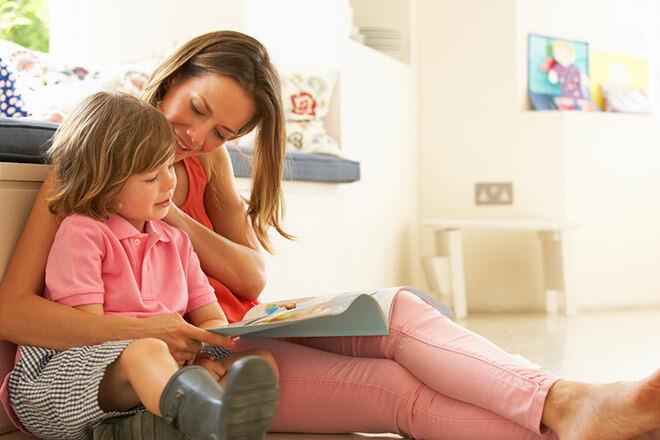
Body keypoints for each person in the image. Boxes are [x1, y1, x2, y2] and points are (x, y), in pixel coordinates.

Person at [1, 30, 660, 440]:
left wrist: (172, 214)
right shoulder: (95, 161)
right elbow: (16, 311)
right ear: (173, 79)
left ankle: (570, 400)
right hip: (190, 359)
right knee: (398, 394)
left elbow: (249, 279)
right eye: (196, 110)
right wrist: (160, 330)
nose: (196, 139)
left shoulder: (203, 165)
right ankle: (574, 422)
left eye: (223, 133)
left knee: (396, 310)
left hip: (233, 330)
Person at [0, 91, 279, 440]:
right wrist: (163, 346)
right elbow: (88, 331)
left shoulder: (177, 240)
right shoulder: (83, 232)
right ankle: (204, 415)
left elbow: (209, 317)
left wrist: (206, 347)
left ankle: (155, 423)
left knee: (259, 359)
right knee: (145, 353)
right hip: (69, 378)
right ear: (105, 185)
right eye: (151, 178)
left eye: (167, 166)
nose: (169, 182)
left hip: (158, 369)